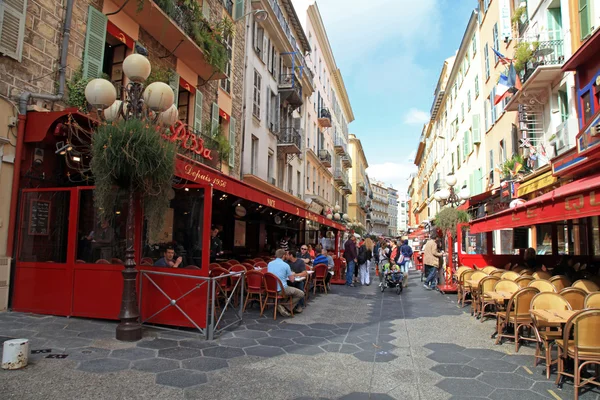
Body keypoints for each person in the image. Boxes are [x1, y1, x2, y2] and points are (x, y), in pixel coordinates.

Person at [267, 249, 304, 316]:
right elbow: (292, 280)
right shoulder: (285, 265)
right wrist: (291, 274)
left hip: (270, 289)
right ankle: (285, 307)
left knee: (290, 290)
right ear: (283, 256)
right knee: (300, 293)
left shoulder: (270, 263)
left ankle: (282, 305)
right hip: (282, 289)